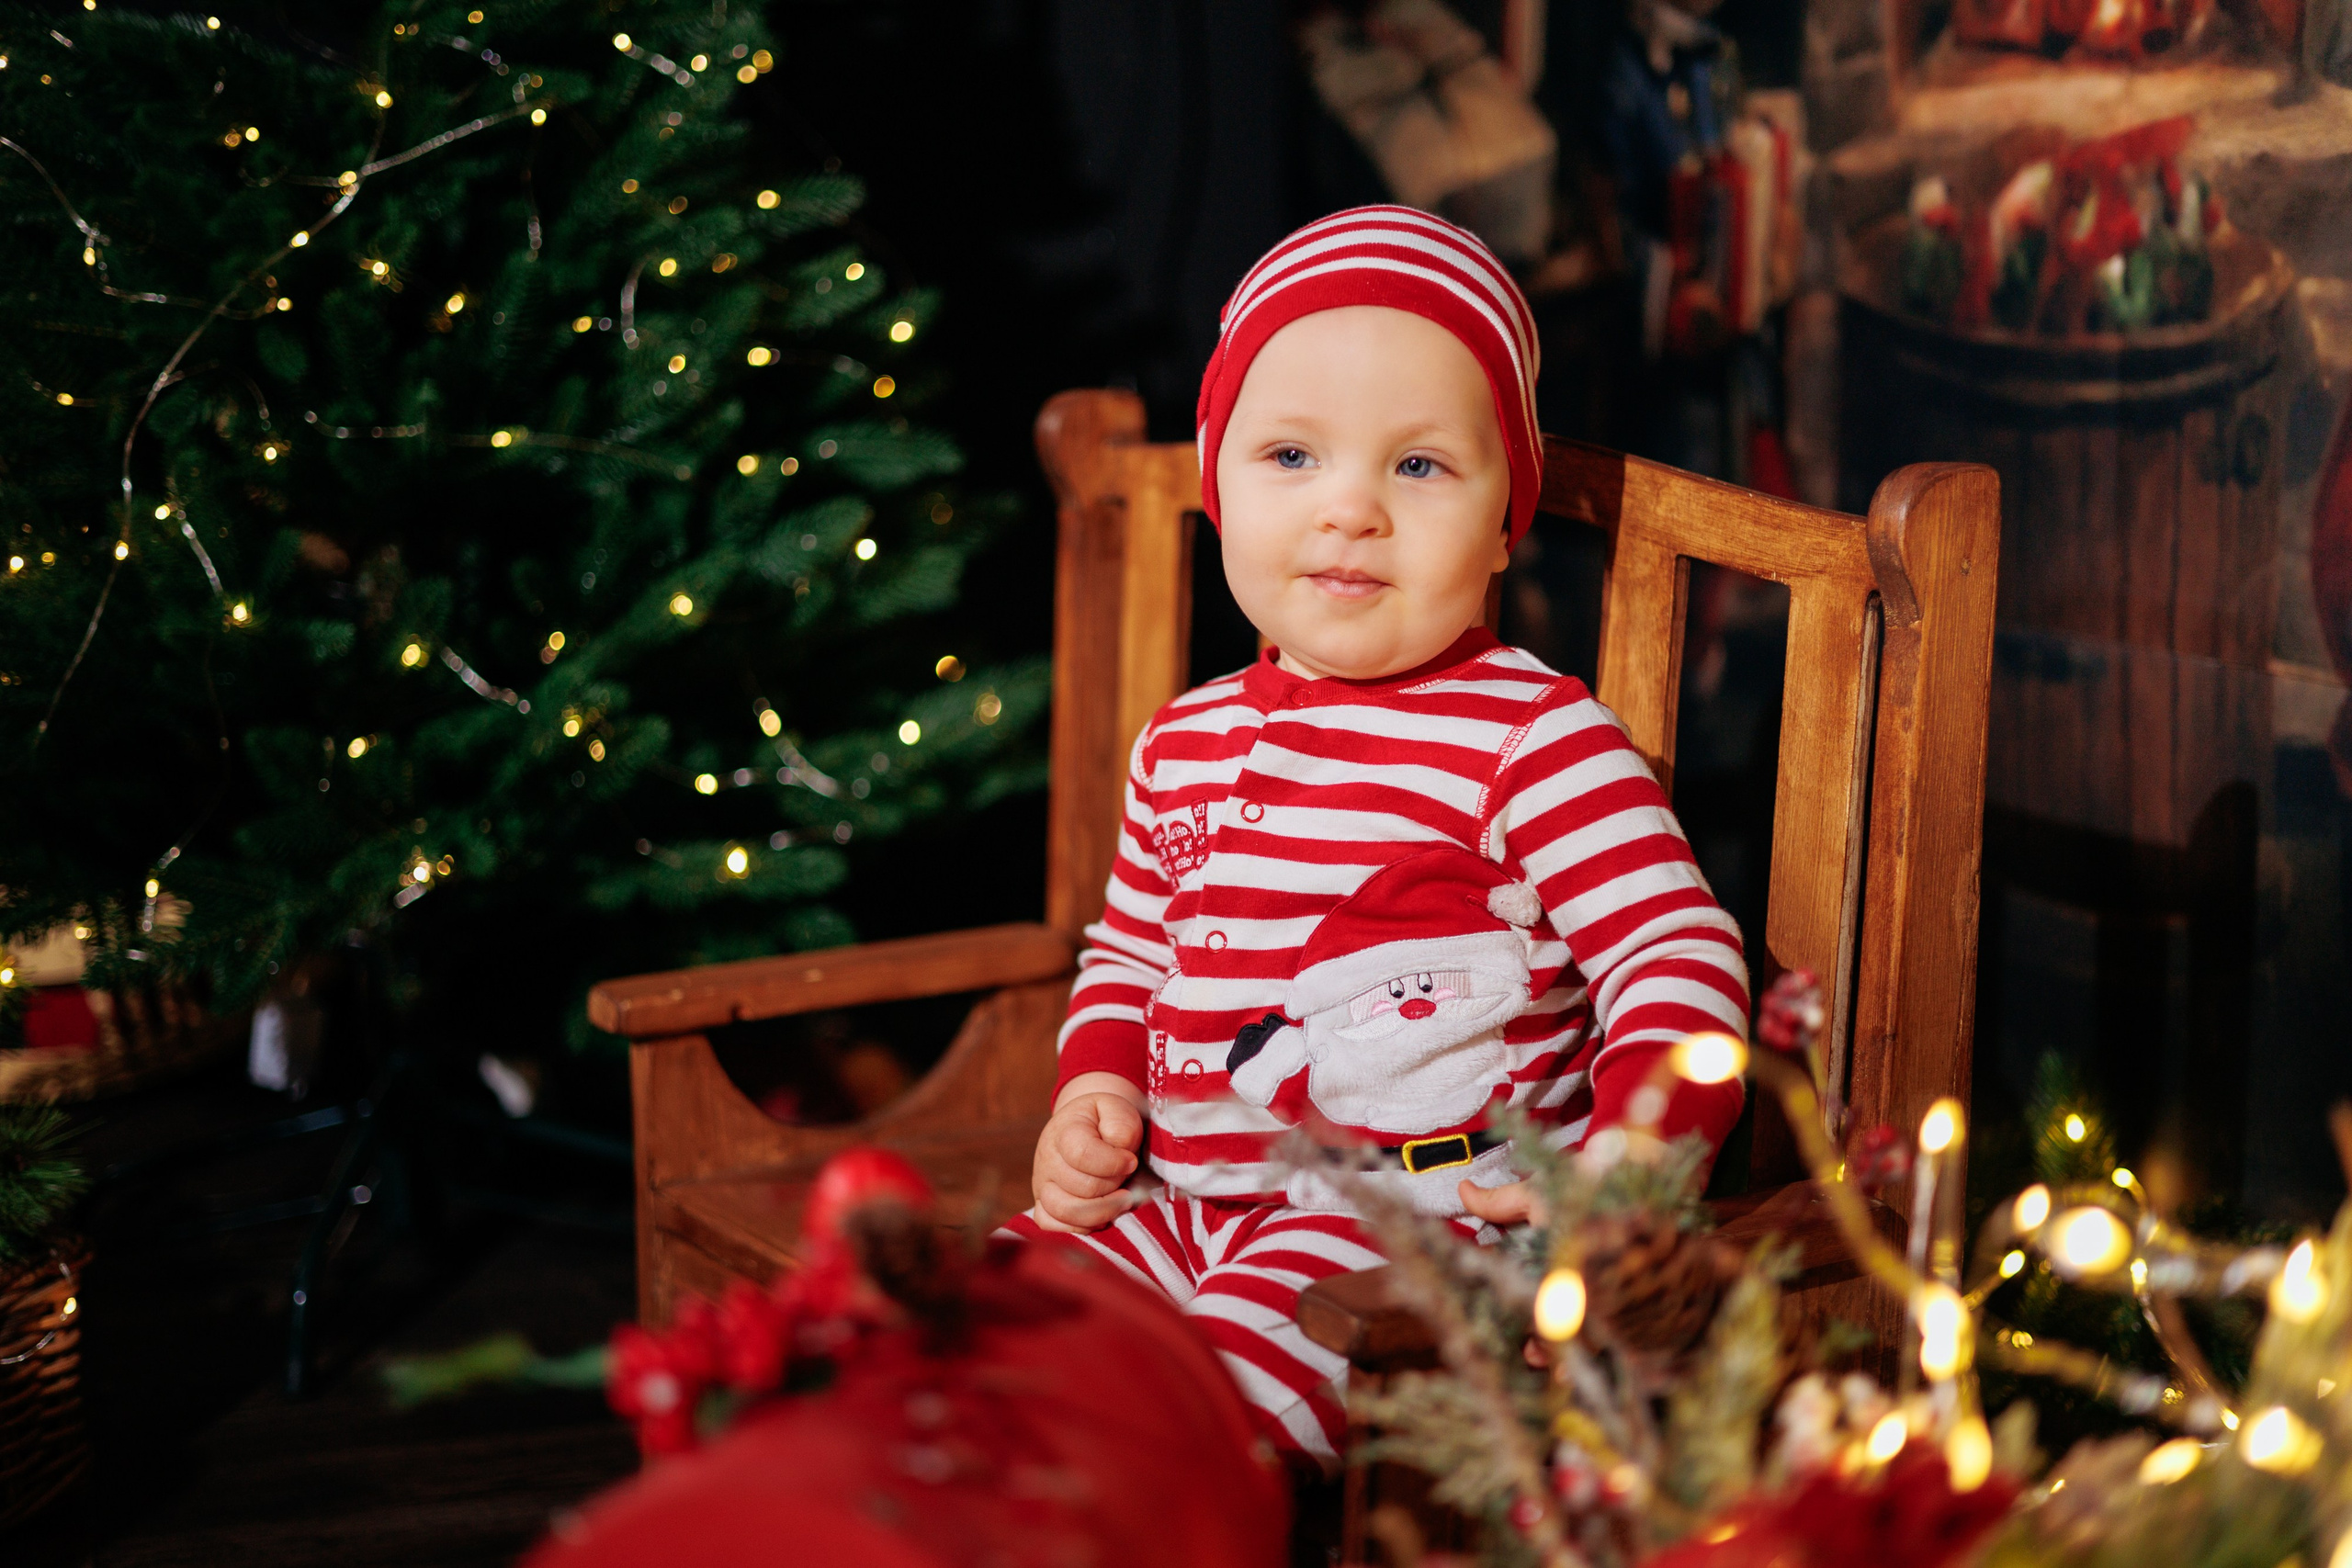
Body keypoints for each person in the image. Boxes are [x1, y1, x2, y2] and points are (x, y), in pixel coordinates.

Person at [1003, 206, 1749, 1470]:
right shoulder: (1180, 741)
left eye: (1417, 467)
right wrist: (1097, 1089)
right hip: (1179, 1204)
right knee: (973, 1334)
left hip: (1413, 1221)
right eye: (1291, 456)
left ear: (1506, 510)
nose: (1350, 510)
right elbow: (1127, 957)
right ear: (1216, 485)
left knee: (1191, 1428)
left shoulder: (1531, 736)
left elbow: (1675, 957)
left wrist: (1627, 1168)